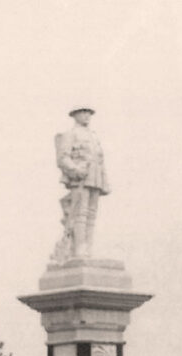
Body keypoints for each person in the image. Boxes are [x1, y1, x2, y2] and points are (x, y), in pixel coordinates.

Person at [54, 107, 109, 260]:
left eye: (89, 113)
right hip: (79, 179)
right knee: (80, 214)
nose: (87, 116)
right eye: (83, 112)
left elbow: (99, 159)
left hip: (95, 177)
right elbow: (62, 158)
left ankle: (88, 250)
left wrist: (104, 180)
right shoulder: (70, 135)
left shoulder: (93, 136)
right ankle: (79, 251)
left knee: (91, 215)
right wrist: (75, 169)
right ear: (75, 115)